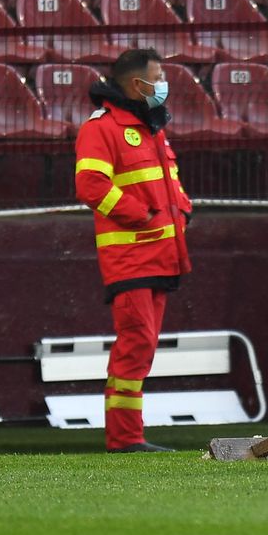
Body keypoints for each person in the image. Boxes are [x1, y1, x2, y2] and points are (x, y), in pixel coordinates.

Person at [74, 49, 193, 453]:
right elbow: (91, 185)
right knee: (137, 341)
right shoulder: (102, 128)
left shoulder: (149, 126)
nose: (164, 85)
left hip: (161, 255)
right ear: (136, 84)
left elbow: (167, 179)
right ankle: (124, 439)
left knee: (143, 343)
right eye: (158, 77)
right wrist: (141, 215)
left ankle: (128, 437)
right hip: (129, 257)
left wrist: (184, 209)